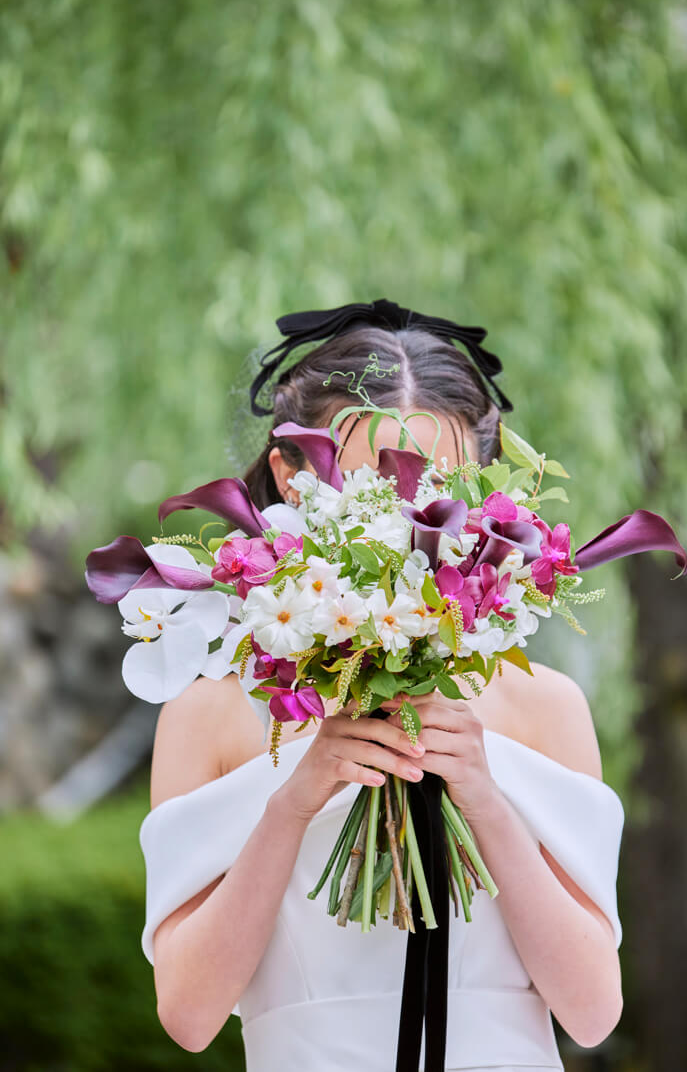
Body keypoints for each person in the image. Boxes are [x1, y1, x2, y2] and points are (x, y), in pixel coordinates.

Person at [138, 306, 625, 1072]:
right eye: (373, 481)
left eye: (441, 485)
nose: (409, 514)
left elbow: (592, 1014)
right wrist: (296, 800)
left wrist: (483, 795)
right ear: (291, 476)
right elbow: (189, 1017)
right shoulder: (210, 715)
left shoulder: (545, 707)